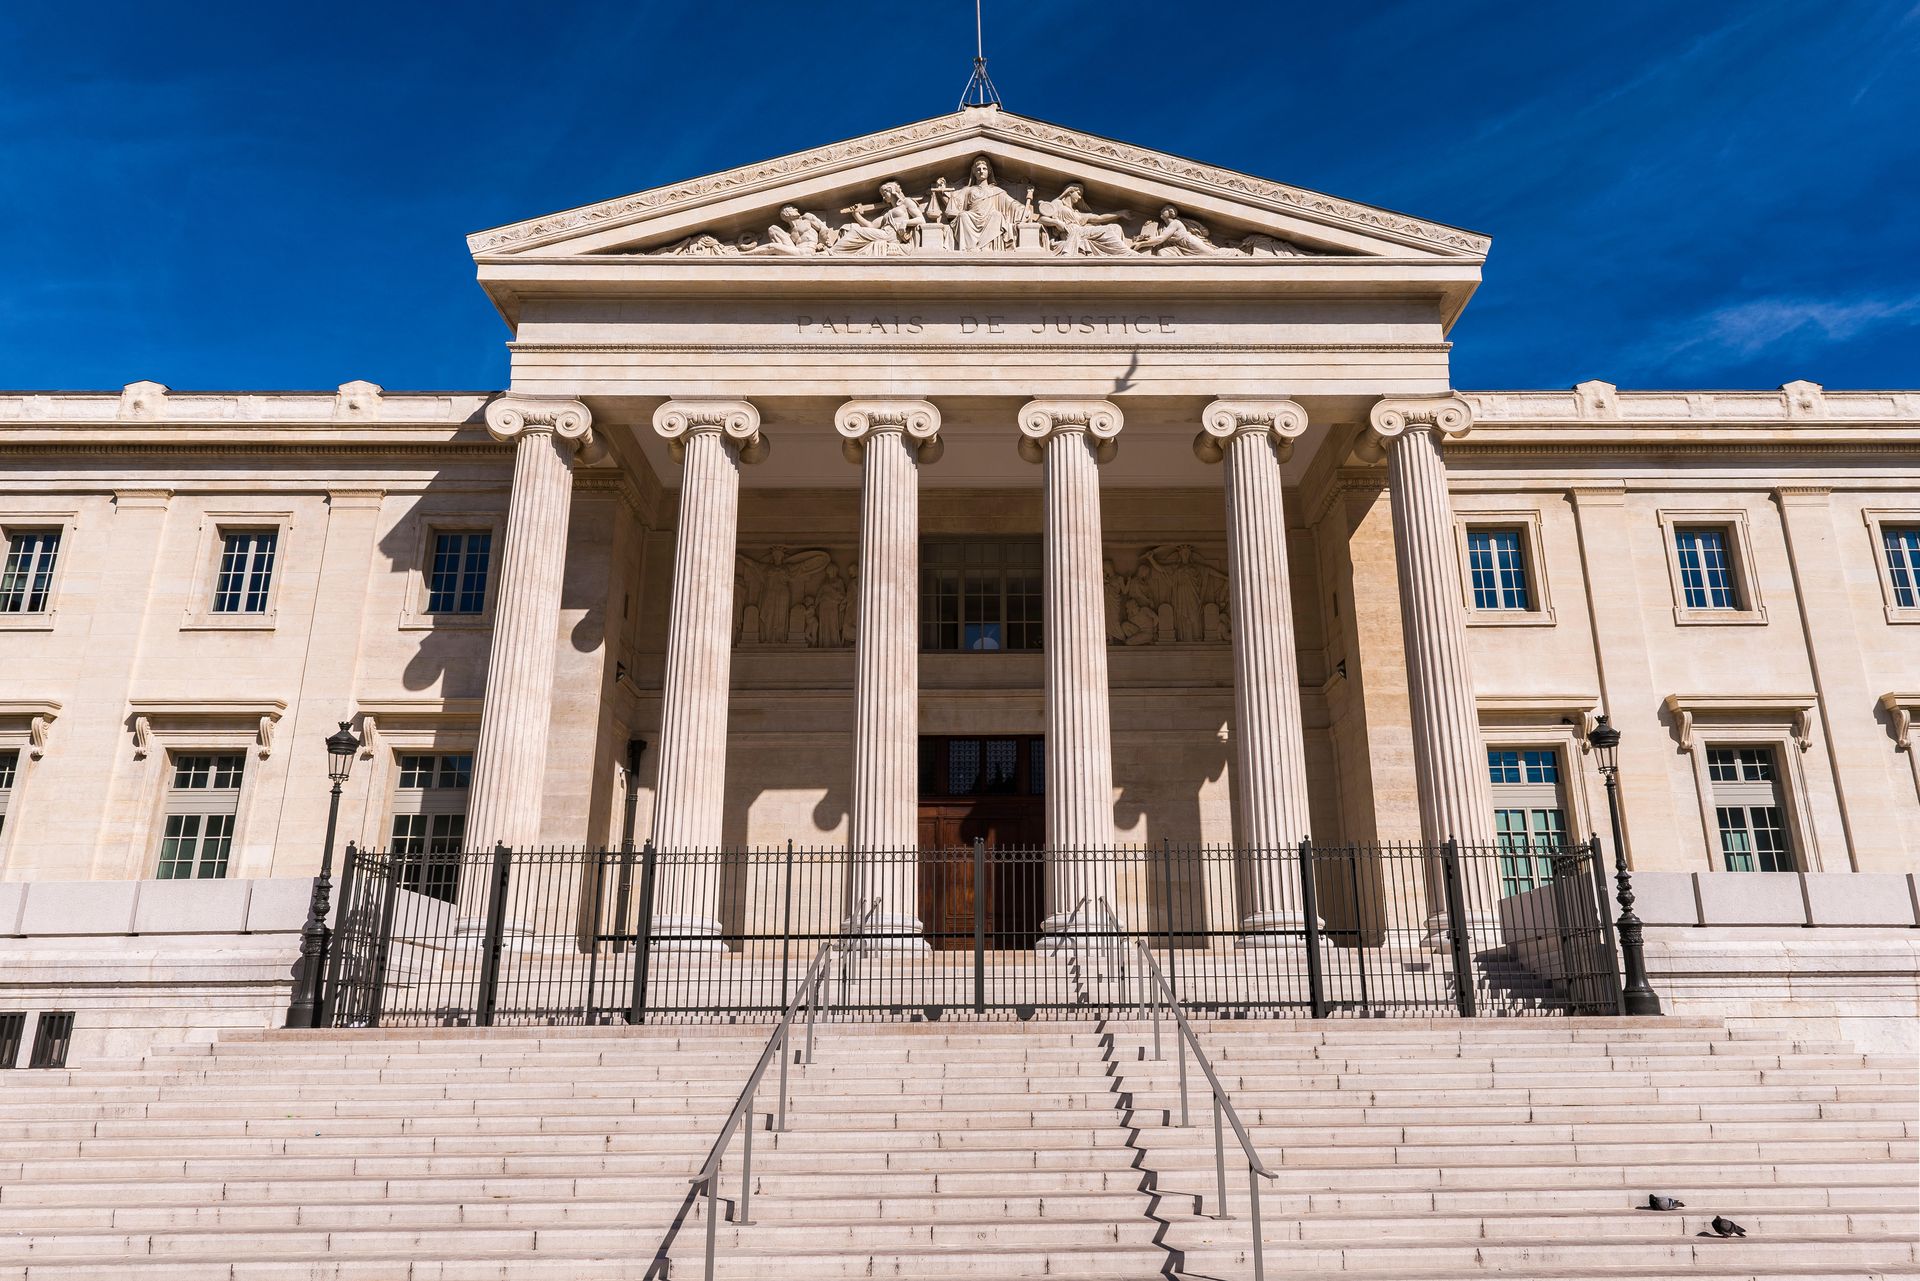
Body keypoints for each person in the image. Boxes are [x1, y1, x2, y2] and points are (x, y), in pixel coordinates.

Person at [941, 155, 1024, 252]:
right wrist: (942, 190)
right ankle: (970, 247)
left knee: (997, 215)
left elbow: (1012, 204)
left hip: (990, 218)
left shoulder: (996, 191)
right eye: (978, 169)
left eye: (984, 169)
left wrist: (1023, 210)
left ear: (989, 171)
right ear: (973, 172)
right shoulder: (968, 190)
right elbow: (952, 201)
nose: (981, 171)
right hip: (971, 217)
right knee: (963, 215)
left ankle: (985, 246)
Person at [1037, 184, 1136, 256]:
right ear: (1070, 191)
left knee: (1115, 227)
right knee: (1108, 230)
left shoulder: (1077, 213)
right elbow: (1041, 219)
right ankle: (1126, 253)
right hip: (1072, 232)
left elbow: (1099, 218)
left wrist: (1120, 213)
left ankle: (1119, 254)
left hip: (1081, 231)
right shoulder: (1058, 204)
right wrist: (1056, 222)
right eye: (1079, 193)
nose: (1080, 197)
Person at [831, 182, 925, 255]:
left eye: (884, 192)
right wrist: (856, 214)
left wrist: (905, 222)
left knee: (855, 231)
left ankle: (831, 252)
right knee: (851, 228)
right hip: (884, 233)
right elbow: (870, 226)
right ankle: (837, 252)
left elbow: (921, 219)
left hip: (892, 235)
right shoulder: (886, 212)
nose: (883, 197)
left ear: (892, 190)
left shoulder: (906, 202)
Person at [1133, 205, 1224, 257]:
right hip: (1179, 248)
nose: (1161, 210)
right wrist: (1143, 238)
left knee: (1213, 255)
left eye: (1164, 210)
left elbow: (1160, 239)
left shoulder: (1175, 223)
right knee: (1161, 253)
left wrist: (1141, 244)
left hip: (1190, 243)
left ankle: (1234, 252)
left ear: (1171, 213)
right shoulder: (1163, 227)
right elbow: (1157, 238)